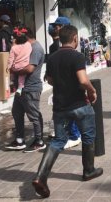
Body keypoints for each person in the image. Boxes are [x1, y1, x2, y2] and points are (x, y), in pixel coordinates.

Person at [32, 25, 102, 198]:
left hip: (60, 107)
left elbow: (49, 79)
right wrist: (92, 91)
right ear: (75, 38)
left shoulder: (53, 57)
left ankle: (41, 177)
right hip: (79, 105)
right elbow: (83, 80)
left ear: (60, 38)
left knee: (58, 140)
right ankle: (89, 170)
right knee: (88, 135)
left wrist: (62, 84)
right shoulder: (77, 56)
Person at [5, 27, 47, 152]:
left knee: (34, 115)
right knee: (17, 112)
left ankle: (39, 141)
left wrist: (13, 70)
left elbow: (29, 69)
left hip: (31, 88)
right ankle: (19, 140)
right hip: (21, 88)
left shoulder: (35, 48)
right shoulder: (27, 47)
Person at [47, 17, 81, 149]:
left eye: (59, 26)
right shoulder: (55, 45)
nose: (56, 28)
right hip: (60, 84)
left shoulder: (69, 48)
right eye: (55, 26)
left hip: (68, 84)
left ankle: (74, 135)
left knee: (71, 110)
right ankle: (66, 133)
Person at [7, 27, 32, 95]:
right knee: (21, 78)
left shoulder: (13, 48)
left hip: (16, 67)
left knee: (12, 73)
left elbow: (10, 59)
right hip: (24, 66)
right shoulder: (28, 45)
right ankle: (20, 88)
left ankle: (12, 83)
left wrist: (8, 67)